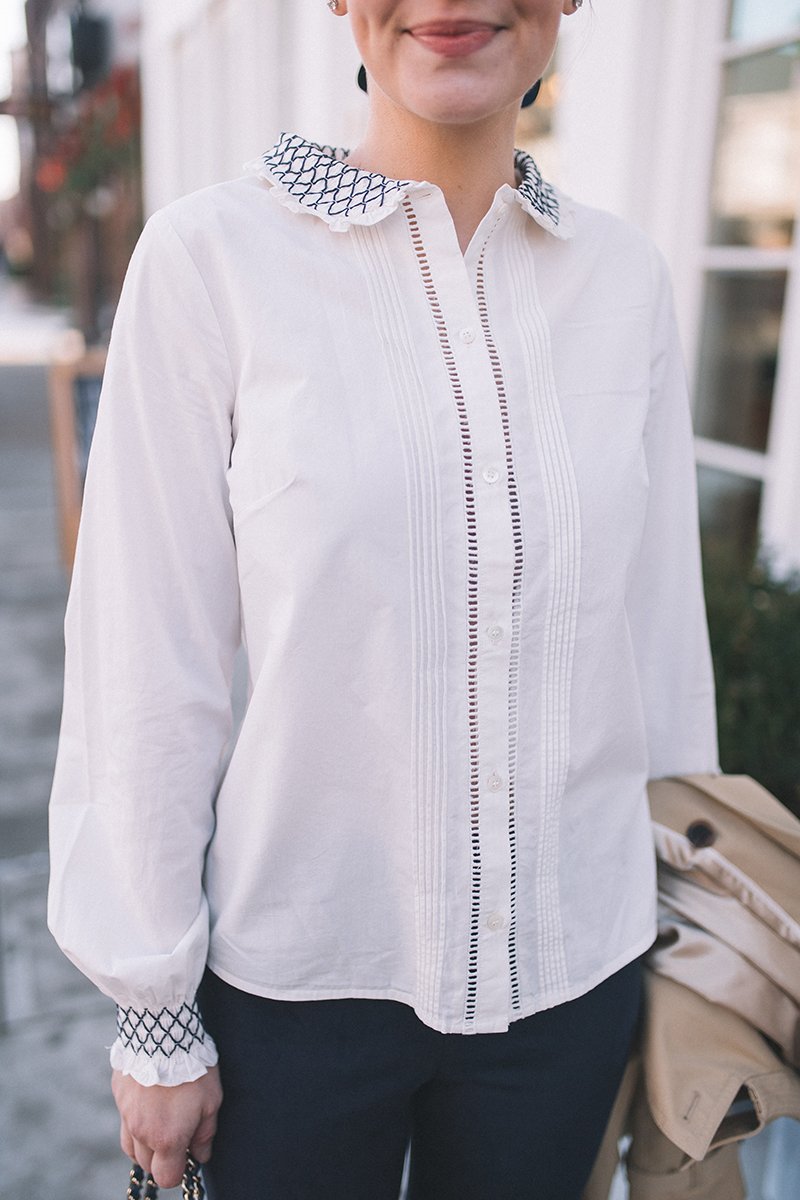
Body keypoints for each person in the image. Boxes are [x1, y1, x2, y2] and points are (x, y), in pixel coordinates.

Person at [48, 2, 720, 1197]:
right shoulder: (211, 261)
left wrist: (692, 941)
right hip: (296, 997)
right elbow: (142, 659)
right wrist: (153, 1005)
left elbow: (658, 649)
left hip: (574, 982)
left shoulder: (623, 280)